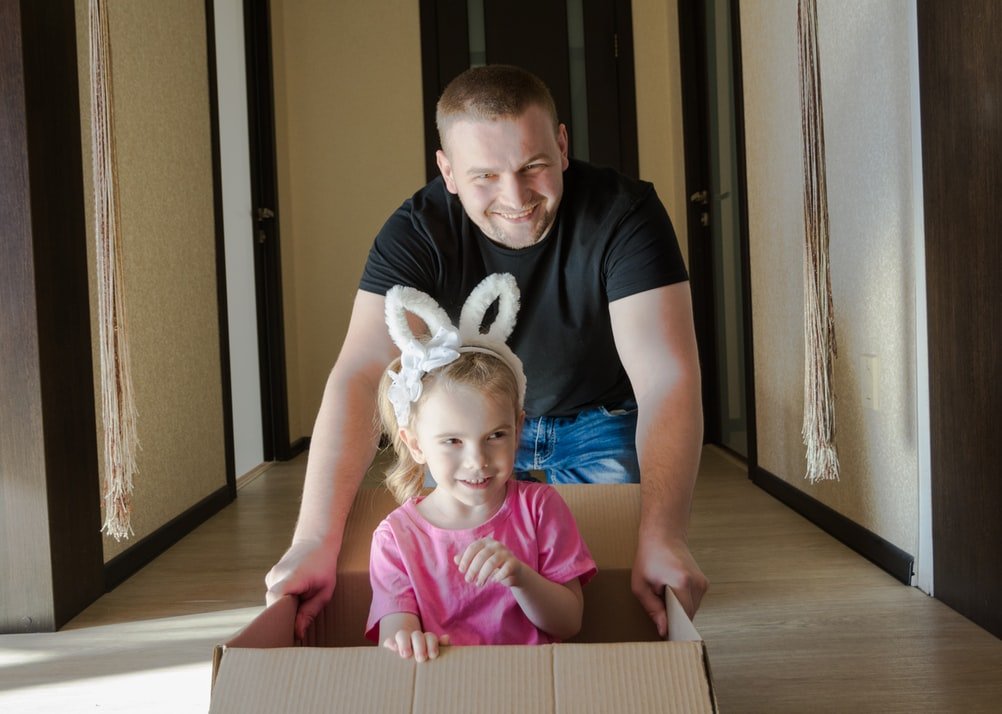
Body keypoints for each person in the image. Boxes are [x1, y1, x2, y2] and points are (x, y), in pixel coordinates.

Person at [266, 63, 707, 641]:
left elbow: (666, 376)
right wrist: (313, 541)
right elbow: (357, 373)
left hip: (598, 423)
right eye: (484, 177)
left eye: (534, 167)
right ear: (447, 171)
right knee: (445, 586)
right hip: (474, 431)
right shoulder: (416, 233)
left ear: (563, 145)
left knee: (601, 594)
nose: (515, 197)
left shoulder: (624, 214)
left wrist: (665, 533)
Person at [366, 274, 596, 661]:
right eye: (453, 441)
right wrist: (408, 640)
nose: (478, 461)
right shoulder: (396, 538)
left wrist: (521, 578)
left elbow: (569, 622)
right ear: (416, 444)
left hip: (532, 686)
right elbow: (395, 633)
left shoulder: (540, 509)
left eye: (496, 436)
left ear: (518, 428)